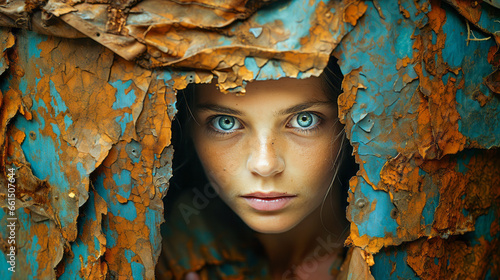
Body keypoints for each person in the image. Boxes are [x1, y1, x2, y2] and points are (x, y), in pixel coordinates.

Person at [156, 58, 373, 280]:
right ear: (190, 130)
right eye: (225, 122)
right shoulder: (165, 248)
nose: (265, 165)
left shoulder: (390, 259)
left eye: (304, 120)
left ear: (347, 127)